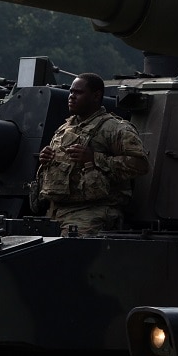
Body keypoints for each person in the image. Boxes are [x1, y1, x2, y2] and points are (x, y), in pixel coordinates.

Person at [36, 73, 149, 235]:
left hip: (92, 213)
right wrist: (46, 157)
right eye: (71, 92)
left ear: (96, 96)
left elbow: (140, 165)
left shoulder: (115, 128)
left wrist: (94, 158)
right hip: (56, 211)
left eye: (78, 93)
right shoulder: (65, 128)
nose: (71, 97)